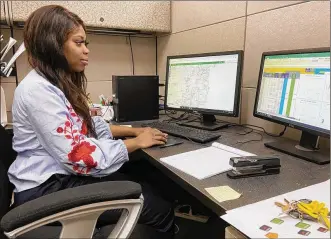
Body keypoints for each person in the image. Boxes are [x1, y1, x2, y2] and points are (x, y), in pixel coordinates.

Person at [8, 5, 174, 237]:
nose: (86, 51)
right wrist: (136, 143)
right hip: (44, 189)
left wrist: (133, 131)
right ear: (53, 45)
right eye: (79, 43)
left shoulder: (55, 84)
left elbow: (87, 126)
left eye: (86, 43)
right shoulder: (38, 91)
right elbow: (78, 155)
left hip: (59, 178)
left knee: (146, 181)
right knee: (158, 208)